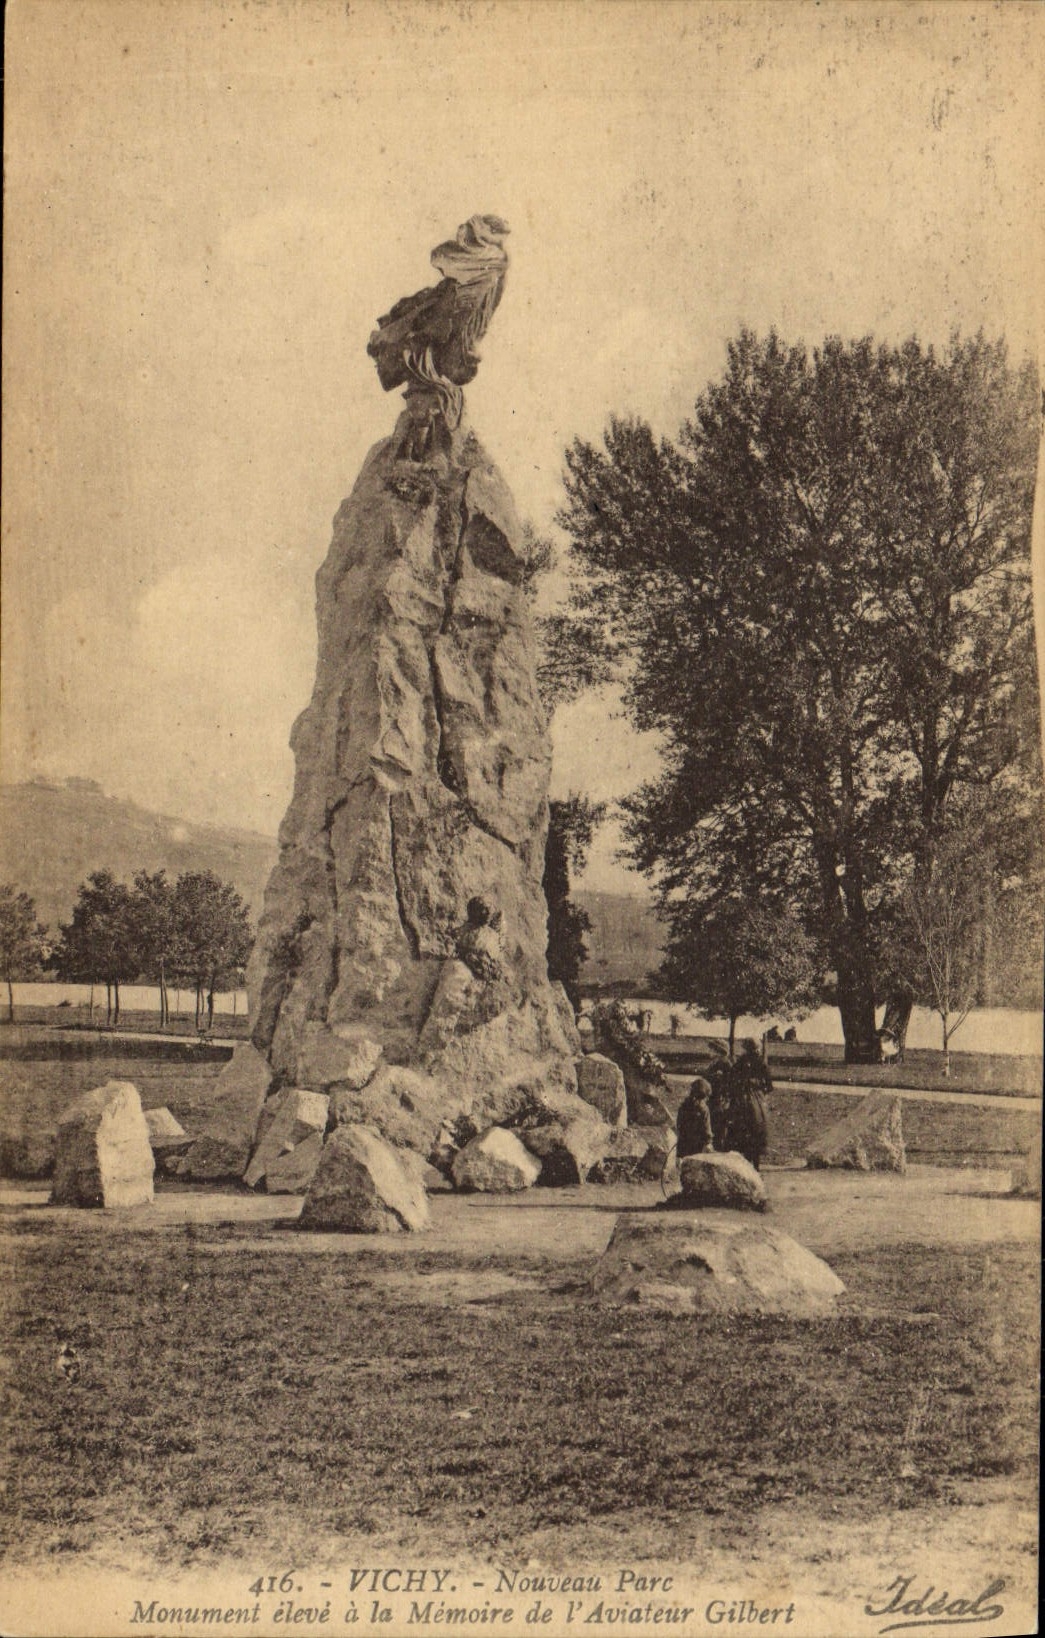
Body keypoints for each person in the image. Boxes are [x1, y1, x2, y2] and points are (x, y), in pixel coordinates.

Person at [676, 1076, 715, 1160]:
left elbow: (679, 1125)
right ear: (705, 1096)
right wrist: (709, 1142)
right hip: (697, 1147)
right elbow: (706, 1129)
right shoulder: (704, 1109)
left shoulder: (683, 1106)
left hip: (683, 1144)